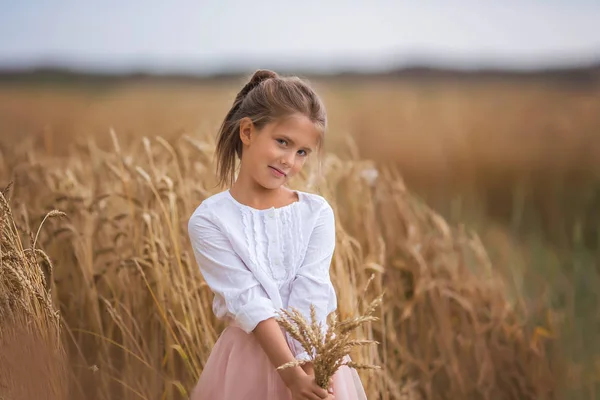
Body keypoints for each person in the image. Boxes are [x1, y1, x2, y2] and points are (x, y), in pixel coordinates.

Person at [187, 69, 367, 400]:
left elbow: (311, 292)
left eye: (302, 152)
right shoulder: (209, 220)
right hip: (248, 364)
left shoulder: (316, 213)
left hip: (317, 361)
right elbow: (247, 301)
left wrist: (310, 374)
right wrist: (291, 378)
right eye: (282, 142)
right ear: (247, 132)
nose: (289, 161)